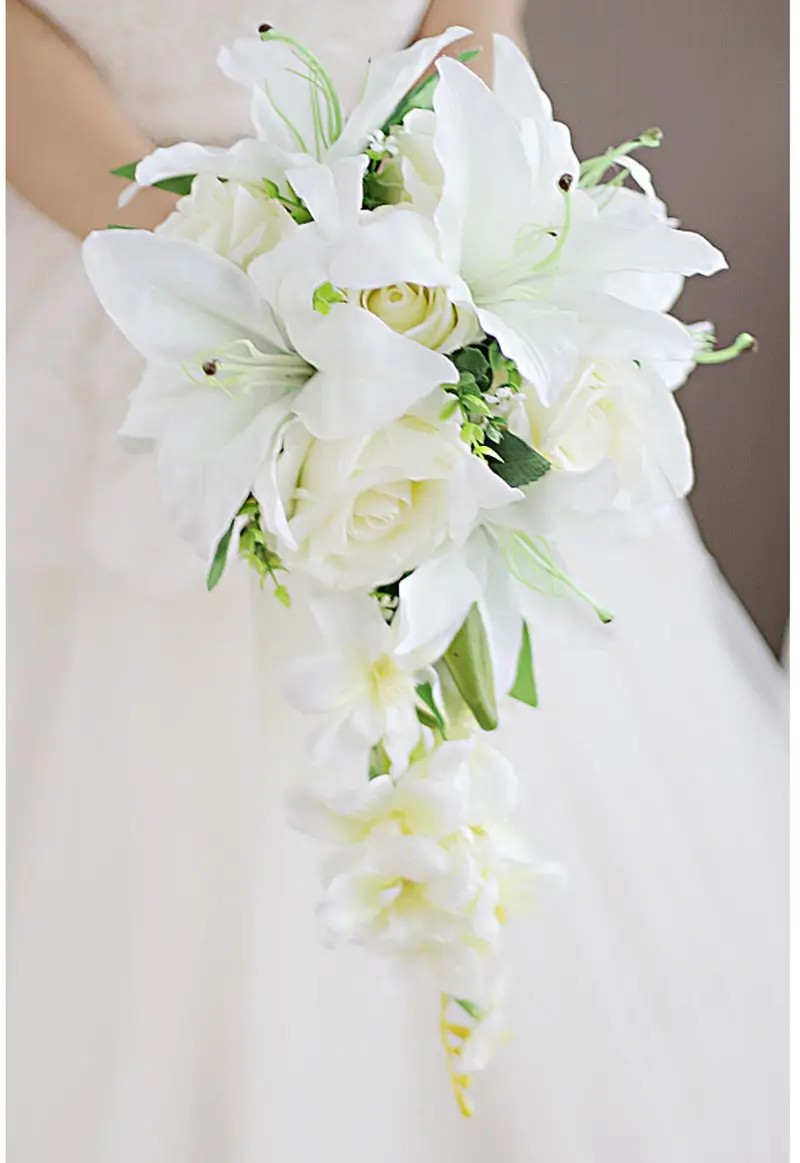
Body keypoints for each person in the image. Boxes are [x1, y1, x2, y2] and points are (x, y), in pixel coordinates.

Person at [6, 2, 787, 1160]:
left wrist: (445, 241)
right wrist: (244, 291)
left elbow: (474, 18)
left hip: (438, 271)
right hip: (112, 282)